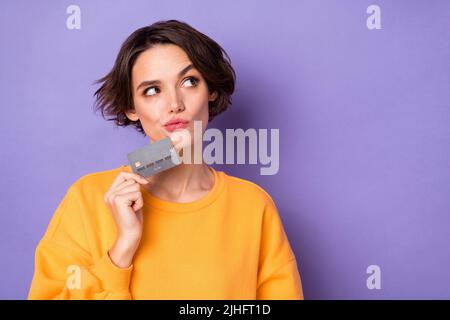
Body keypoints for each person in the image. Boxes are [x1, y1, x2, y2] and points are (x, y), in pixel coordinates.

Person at [28, 19, 303, 300]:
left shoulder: (253, 206)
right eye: (152, 90)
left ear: (212, 91)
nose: (175, 104)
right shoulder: (87, 200)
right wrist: (121, 250)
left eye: (189, 82)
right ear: (131, 108)